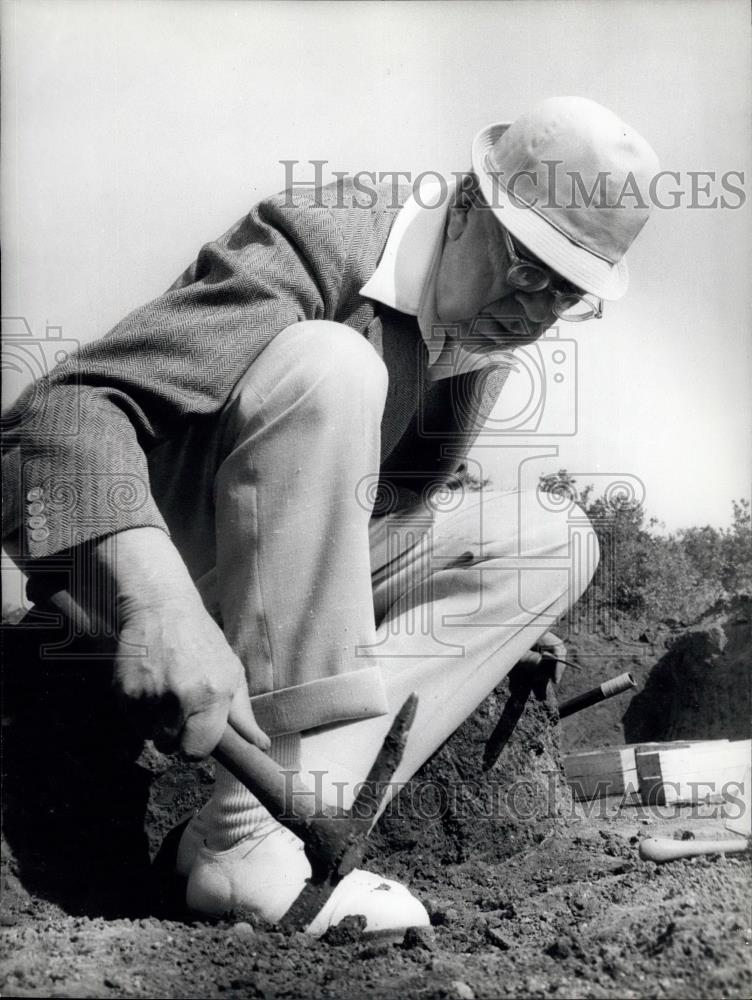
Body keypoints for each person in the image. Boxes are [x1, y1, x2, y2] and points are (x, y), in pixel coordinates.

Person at [2, 97, 659, 934]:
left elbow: (387, 505)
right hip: (111, 559)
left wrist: (469, 591)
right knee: (331, 365)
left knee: (551, 540)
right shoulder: (325, 235)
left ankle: (251, 836)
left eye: (565, 295)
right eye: (528, 269)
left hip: (252, 569)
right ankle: (250, 841)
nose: (533, 314)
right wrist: (157, 602)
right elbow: (69, 412)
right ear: (465, 206)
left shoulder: (476, 337)